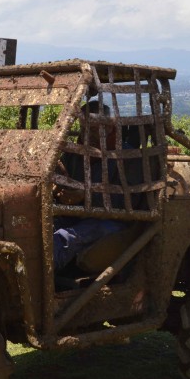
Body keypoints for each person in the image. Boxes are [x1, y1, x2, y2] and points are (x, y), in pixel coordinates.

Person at [52, 101, 129, 271]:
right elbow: (61, 179)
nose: (87, 136)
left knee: (63, 239)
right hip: (77, 215)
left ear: (109, 127)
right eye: (84, 129)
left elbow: (128, 200)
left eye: (93, 130)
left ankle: (41, 286)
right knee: (42, 228)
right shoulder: (74, 154)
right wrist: (58, 190)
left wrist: (86, 195)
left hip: (110, 221)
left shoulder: (127, 156)